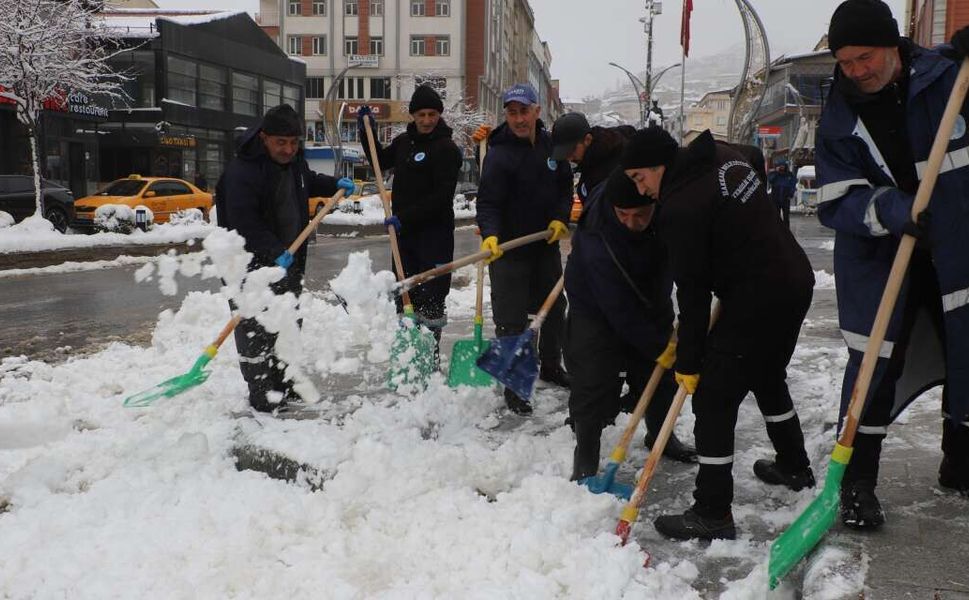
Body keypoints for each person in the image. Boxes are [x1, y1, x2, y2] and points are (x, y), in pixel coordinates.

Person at [815, 0, 969, 529]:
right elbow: (834, 197)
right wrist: (893, 209)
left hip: (955, 248)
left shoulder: (948, 81)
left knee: (966, 354)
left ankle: (962, 461)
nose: (857, 71)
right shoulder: (840, 115)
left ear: (892, 46)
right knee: (874, 370)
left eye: (865, 57)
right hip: (882, 259)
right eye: (846, 62)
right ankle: (856, 484)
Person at [621, 126, 816, 541]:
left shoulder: (680, 206)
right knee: (766, 374)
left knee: (713, 396)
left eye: (641, 178)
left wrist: (689, 363)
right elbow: (753, 160)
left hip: (756, 298)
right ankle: (794, 465)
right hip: (794, 278)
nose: (642, 189)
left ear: (660, 166)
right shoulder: (725, 154)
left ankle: (712, 511)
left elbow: (692, 295)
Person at [216, 104, 354, 413]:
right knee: (256, 329)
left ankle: (283, 382)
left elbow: (305, 180)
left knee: (287, 323)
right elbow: (243, 221)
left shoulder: (293, 162)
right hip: (248, 266)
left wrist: (334, 185)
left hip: (287, 261)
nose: (288, 149)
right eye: (281, 142)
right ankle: (263, 391)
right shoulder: (242, 172)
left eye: (294, 142)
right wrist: (273, 250)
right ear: (264, 138)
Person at [565, 168, 697, 481]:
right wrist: (656, 346)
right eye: (623, 214)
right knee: (591, 375)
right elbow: (619, 310)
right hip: (594, 303)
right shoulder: (598, 233)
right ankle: (585, 454)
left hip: (650, 294)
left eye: (640, 215)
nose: (630, 222)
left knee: (658, 374)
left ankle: (660, 435)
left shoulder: (669, 207)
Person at [475, 83, 574, 415]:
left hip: (543, 245)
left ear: (537, 112)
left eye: (524, 111)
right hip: (508, 251)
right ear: (507, 115)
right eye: (512, 112)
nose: (518, 119)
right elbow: (487, 202)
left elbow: (564, 187)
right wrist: (490, 235)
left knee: (554, 309)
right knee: (512, 320)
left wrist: (561, 217)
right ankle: (515, 386)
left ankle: (550, 365)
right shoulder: (498, 153)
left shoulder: (551, 147)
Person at [357, 85, 463, 361]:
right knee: (405, 300)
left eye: (431, 114)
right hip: (404, 239)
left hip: (434, 239)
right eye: (421, 114)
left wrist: (403, 218)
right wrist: (365, 130)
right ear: (413, 115)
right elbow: (379, 162)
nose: (426, 120)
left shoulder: (447, 148)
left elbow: (441, 198)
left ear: (439, 115)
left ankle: (430, 359)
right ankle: (410, 361)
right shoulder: (404, 143)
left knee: (431, 302)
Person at [550, 112, 635, 202]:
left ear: (587, 139)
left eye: (572, 150)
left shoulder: (615, 163)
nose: (569, 158)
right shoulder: (589, 162)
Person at [768, 160, 797, 227]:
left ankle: (786, 231)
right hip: (775, 198)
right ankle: (777, 230)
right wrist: (776, 172)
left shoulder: (789, 175)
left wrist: (791, 194)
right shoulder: (773, 174)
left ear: (785, 166)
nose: (781, 168)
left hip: (785, 199)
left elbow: (793, 184)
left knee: (786, 216)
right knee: (776, 216)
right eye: (779, 166)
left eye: (782, 166)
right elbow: (770, 180)